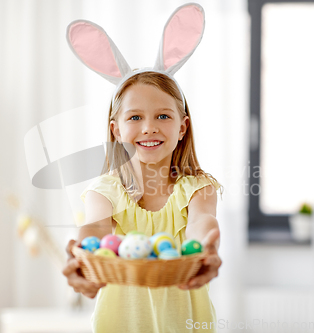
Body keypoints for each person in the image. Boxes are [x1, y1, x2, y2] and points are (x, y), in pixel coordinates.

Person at [62, 4, 224, 331]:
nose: (149, 127)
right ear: (116, 130)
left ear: (182, 127)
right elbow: (94, 230)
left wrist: (207, 248)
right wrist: (83, 260)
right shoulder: (104, 191)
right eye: (135, 117)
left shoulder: (198, 187)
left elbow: (200, 225)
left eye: (163, 116)